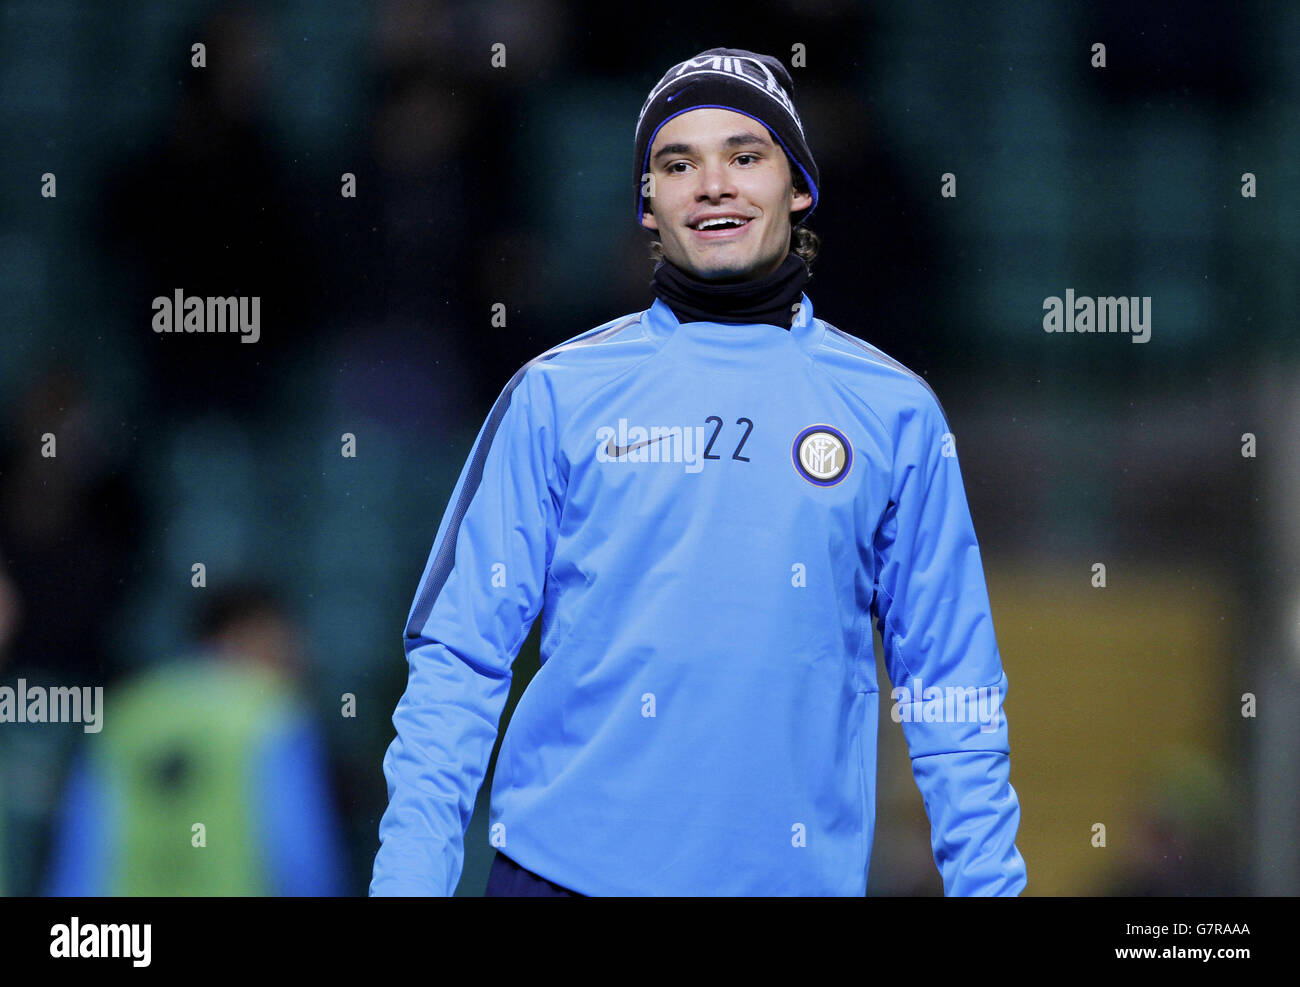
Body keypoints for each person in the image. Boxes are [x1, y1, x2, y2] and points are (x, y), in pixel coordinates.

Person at [371, 48, 1027, 896]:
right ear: (648, 204)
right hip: (560, 879)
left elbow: (952, 682)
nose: (712, 184)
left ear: (799, 188)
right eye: (678, 164)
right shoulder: (556, 396)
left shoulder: (895, 412)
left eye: (745, 156)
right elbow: (458, 659)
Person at [45, 583, 347, 896]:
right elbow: (300, 856)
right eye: (282, 637)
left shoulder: (124, 712)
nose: (297, 654)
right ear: (240, 630)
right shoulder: (276, 713)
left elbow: (80, 860)